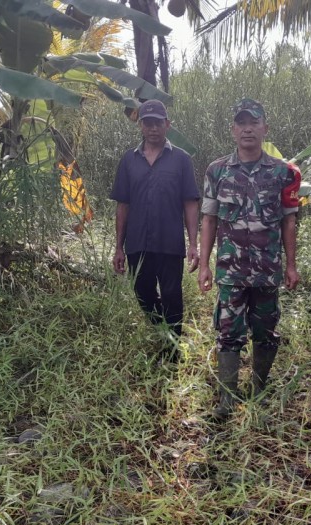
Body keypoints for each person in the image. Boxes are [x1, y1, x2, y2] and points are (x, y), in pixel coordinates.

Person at [198, 98, 301, 420]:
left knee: (266, 330)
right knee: (228, 332)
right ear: (233, 130)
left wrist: (291, 265)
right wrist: (203, 264)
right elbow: (209, 220)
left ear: (264, 129)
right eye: (241, 123)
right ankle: (227, 399)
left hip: (267, 269)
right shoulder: (217, 171)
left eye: (254, 123)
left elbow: (289, 221)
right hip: (230, 270)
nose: (247, 128)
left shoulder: (284, 173)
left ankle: (259, 391)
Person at [111, 99, 200, 360]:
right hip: (137, 242)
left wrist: (193, 243)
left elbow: (190, 204)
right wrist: (118, 246)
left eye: (158, 123)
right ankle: (165, 332)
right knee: (143, 293)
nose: (153, 128)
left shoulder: (181, 159)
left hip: (170, 242)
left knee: (172, 295)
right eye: (147, 123)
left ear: (167, 125)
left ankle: (172, 352)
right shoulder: (129, 160)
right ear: (140, 125)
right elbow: (123, 205)